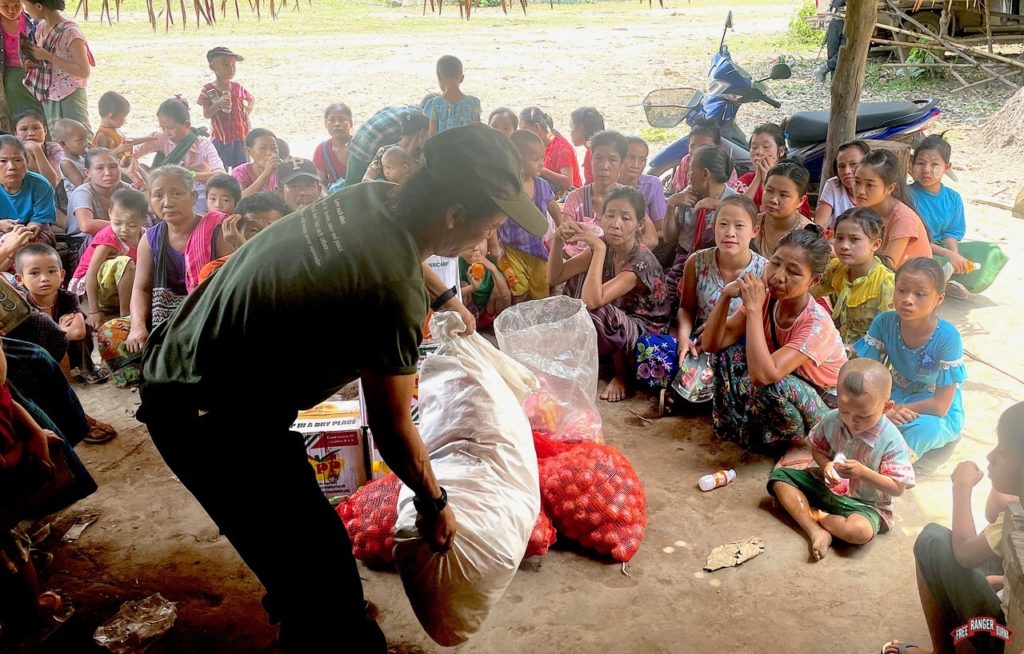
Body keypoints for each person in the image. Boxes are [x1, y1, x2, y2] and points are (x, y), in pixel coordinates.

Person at [135, 123, 547, 653]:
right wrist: (433, 502)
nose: (483, 241)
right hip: (205, 413)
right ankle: (321, 625)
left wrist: (446, 299)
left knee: (302, 548)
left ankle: (300, 605)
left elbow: (407, 253)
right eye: (487, 226)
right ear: (453, 216)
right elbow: (394, 428)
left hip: (191, 359)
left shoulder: (373, 197)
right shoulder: (390, 292)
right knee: (327, 591)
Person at [881, 402, 1024, 654]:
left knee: (932, 541)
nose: (990, 457)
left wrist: (962, 486)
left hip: (1009, 635)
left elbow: (965, 553)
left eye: (1001, 453)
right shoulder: (1016, 506)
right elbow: (993, 513)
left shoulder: (1019, 519)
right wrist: (1004, 580)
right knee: (993, 551)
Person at [702, 225, 847, 453]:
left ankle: (793, 444)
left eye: (794, 272)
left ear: (814, 280)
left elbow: (764, 376)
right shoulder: (767, 299)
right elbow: (712, 344)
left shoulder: (816, 323)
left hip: (826, 405)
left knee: (772, 385)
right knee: (727, 354)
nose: (778, 277)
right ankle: (732, 429)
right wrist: (726, 295)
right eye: (775, 263)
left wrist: (752, 310)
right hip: (789, 387)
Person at [768, 358, 914, 561]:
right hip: (826, 487)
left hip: (865, 504)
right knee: (779, 479)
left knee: (860, 532)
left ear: (886, 407)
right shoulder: (832, 419)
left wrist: (863, 473)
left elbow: (898, 488)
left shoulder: (892, 441)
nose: (852, 421)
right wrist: (826, 464)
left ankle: (811, 514)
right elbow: (817, 448)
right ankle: (816, 531)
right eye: (845, 411)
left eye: (864, 415)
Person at [549, 185, 670, 402]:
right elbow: (555, 277)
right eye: (610, 215)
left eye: (626, 218)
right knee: (577, 281)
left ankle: (622, 375)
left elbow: (593, 301)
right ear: (601, 218)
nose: (615, 224)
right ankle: (585, 351)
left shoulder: (641, 260)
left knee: (601, 309)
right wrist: (557, 241)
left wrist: (599, 249)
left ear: (639, 225)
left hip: (646, 333)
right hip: (619, 319)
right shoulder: (605, 245)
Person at [853, 257, 966, 460]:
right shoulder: (884, 322)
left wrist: (896, 410)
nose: (907, 299)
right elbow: (866, 372)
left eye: (920, 294)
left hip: (929, 404)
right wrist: (881, 408)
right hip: (893, 393)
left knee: (925, 430)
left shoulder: (948, 338)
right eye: (902, 290)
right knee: (851, 410)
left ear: (939, 299)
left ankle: (892, 469)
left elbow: (940, 405)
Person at [123, 165, 231, 354]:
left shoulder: (216, 230)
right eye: (158, 195)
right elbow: (141, 288)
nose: (167, 202)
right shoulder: (149, 239)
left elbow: (231, 285)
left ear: (194, 197)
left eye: (176, 193)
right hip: (165, 317)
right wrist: (137, 326)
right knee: (111, 334)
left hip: (210, 315)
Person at [676, 195, 767, 359]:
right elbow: (686, 308)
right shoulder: (697, 261)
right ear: (713, 226)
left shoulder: (763, 271)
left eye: (739, 226)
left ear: (755, 231)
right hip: (697, 341)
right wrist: (683, 336)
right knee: (649, 350)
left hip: (738, 346)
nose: (730, 233)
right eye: (723, 225)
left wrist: (714, 330)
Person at [14, 242, 102, 381]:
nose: (44, 278)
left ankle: (85, 368)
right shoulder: (23, 306)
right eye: (34, 273)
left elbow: (78, 332)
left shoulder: (68, 297)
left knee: (83, 328)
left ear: (61, 275)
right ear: (20, 279)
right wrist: (60, 331)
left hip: (72, 354)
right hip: (41, 359)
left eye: (51, 271)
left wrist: (49, 336)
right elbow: (27, 343)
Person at [562, 130, 658, 256]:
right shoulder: (575, 199)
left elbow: (651, 240)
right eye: (599, 158)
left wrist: (613, 255)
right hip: (582, 268)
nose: (604, 166)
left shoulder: (630, 198)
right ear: (591, 160)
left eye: (612, 160)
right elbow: (567, 241)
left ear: (622, 163)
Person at [664, 145, 740, 301]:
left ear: (705, 174)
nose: (688, 175)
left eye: (691, 170)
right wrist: (671, 206)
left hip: (719, 265)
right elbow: (669, 238)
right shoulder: (687, 195)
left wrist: (721, 207)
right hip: (684, 260)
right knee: (667, 297)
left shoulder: (736, 202)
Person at [814, 207, 894, 346]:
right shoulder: (835, 268)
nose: (844, 246)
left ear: (875, 244)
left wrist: (849, 351)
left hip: (870, 353)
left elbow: (889, 334)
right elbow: (809, 293)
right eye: (839, 238)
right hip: (838, 343)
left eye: (854, 239)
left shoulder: (886, 284)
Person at [133, 97, 226, 212]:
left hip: (196, 189)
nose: (167, 132)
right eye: (163, 128)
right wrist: (143, 174)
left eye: (171, 128)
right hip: (166, 188)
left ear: (187, 125)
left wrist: (191, 175)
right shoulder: (160, 138)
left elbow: (221, 174)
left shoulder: (203, 145)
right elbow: (131, 155)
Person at [908, 134, 972, 299]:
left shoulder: (953, 198)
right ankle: (939, 283)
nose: (926, 170)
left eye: (934, 164)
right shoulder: (906, 196)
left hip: (942, 248)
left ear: (947, 166)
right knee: (931, 266)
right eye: (920, 163)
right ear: (912, 164)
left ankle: (943, 280)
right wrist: (950, 257)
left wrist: (954, 255)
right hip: (917, 250)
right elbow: (914, 239)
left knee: (986, 257)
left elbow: (951, 232)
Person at [70, 187, 145, 324]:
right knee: (125, 263)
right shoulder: (108, 237)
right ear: (110, 214)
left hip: (120, 287)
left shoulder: (145, 237)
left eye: (132, 225)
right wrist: (94, 311)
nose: (123, 229)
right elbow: (91, 273)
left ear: (143, 219)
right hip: (91, 286)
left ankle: (127, 304)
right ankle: (125, 314)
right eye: (117, 223)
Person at [500, 129, 556, 303]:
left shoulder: (542, 185)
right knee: (518, 289)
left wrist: (562, 225)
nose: (541, 163)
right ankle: (519, 323)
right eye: (535, 159)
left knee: (541, 289)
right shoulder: (506, 188)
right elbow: (494, 220)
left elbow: (553, 206)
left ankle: (539, 323)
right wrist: (495, 245)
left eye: (542, 157)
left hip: (537, 249)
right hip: (511, 249)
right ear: (516, 159)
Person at [21, 0, 93, 133]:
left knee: (77, 137)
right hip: (49, 93)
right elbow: (47, 62)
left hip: (69, 94)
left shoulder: (71, 33)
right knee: (59, 138)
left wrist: (49, 57)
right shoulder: (41, 27)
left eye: (26, 6)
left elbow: (84, 71)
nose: (25, 10)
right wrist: (35, 62)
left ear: (39, 6)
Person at [853, 149, 931, 271]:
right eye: (857, 182)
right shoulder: (863, 210)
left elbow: (887, 266)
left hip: (907, 284)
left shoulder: (903, 219)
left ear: (890, 188)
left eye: (870, 185)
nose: (860, 191)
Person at [197, 191, 291, 285]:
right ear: (237, 231)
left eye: (271, 229)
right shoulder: (214, 270)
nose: (264, 237)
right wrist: (243, 250)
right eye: (254, 230)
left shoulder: (295, 265)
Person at [196, 46, 253, 170]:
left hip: (241, 138)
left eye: (233, 65)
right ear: (212, 67)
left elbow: (250, 100)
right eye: (225, 65)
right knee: (220, 169)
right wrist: (217, 105)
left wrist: (247, 110)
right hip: (222, 138)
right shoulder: (208, 89)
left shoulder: (237, 87)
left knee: (242, 169)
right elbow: (206, 114)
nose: (231, 69)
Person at [738, 123, 811, 218]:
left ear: (781, 151)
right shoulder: (746, 180)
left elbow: (800, 217)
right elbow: (737, 211)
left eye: (766, 147)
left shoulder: (791, 181)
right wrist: (757, 179)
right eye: (754, 147)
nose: (759, 152)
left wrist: (767, 180)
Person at [344, 105, 428, 186]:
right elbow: (366, 180)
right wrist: (384, 187)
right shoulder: (385, 152)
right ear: (422, 133)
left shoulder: (419, 156)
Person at [66, 147, 140, 237]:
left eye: (113, 167)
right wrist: (126, 226)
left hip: (118, 237)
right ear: (88, 172)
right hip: (82, 243)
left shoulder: (123, 187)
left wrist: (133, 175)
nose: (108, 173)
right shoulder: (83, 193)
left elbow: (150, 208)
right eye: (100, 168)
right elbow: (86, 225)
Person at [0, 0, 46, 131]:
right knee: (16, 115)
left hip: (35, 75)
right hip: (9, 77)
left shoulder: (33, 22)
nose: (11, 10)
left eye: (16, 5)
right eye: (4, 6)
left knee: (39, 114)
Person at [753, 160, 812, 260]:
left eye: (783, 195)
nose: (773, 200)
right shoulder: (751, 223)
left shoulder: (809, 235)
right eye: (769, 191)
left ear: (801, 201)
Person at [0, 135, 55, 240]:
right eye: (3, 161)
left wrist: (32, 227)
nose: (11, 167)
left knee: (34, 244)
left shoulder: (40, 185)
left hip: (33, 230)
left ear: (27, 161)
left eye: (18, 160)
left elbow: (39, 219)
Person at [519, 106, 581, 195]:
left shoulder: (561, 147)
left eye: (524, 129)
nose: (523, 135)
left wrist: (540, 169)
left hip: (569, 195)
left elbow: (568, 182)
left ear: (536, 127)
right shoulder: (537, 146)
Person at [671, 120, 741, 194]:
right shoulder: (686, 161)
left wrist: (716, 203)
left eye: (703, 147)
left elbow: (732, 199)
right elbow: (678, 191)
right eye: (692, 146)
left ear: (717, 147)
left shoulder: (725, 166)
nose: (696, 151)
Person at [814, 139, 869, 232]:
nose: (846, 171)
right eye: (841, 166)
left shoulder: (877, 188)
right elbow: (819, 225)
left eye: (853, 164)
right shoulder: (833, 185)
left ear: (868, 164)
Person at [458, 238, 511, 330]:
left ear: (488, 244)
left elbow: (506, 296)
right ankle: (464, 326)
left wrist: (492, 268)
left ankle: (496, 325)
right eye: (468, 243)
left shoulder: (493, 261)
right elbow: (451, 295)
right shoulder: (457, 264)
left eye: (479, 241)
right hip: (469, 313)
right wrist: (472, 287)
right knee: (463, 285)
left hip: (490, 311)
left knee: (499, 288)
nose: (475, 248)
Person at [619, 136, 668, 232]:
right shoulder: (608, 184)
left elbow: (659, 226)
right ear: (620, 157)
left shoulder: (652, 185)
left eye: (641, 160)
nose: (636, 165)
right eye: (631, 158)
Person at [425, 55, 480, 137]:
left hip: (443, 149)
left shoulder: (436, 104)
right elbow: (477, 131)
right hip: (466, 149)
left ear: (439, 77)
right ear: (462, 78)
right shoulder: (473, 103)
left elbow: (432, 133)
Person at [13, 108, 60, 190]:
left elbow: (53, 183)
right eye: (24, 129)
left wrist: (36, 150)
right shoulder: (11, 152)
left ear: (45, 130)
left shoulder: (53, 149)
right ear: (15, 133)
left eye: (36, 128)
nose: (31, 133)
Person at [231, 128, 281, 198]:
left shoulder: (281, 170)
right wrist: (266, 173)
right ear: (249, 151)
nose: (270, 153)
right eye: (263, 148)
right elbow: (239, 200)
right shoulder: (240, 172)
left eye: (274, 148)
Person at [312, 103, 351, 187]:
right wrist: (327, 198)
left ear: (350, 123)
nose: (337, 124)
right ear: (326, 124)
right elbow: (320, 183)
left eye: (342, 119)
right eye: (332, 120)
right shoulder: (322, 150)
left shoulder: (361, 145)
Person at [569, 106, 604, 186]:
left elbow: (592, 186)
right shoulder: (601, 146)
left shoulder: (592, 152)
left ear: (580, 128)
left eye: (571, 127)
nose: (570, 133)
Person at [54, 117, 87, 196]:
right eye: (79, 140)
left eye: (85, 139)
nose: (85, 143)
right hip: (79, 201)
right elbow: (81, 185)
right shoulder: (66, 164)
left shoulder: (81, 157)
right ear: (63, 144)